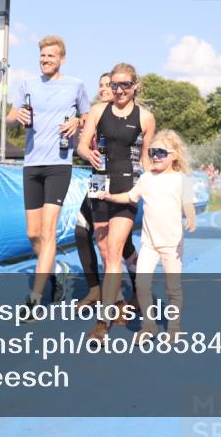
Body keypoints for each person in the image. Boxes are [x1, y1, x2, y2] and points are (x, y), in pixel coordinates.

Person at [6, 35, 89, 314]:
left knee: (48, 231)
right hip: (32, 164)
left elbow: (89, 117)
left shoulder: (75, 85)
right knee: (33, 233)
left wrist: (78, 121)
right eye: (42, 56)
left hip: (59, 164)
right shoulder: (27, 85)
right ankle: (54, 275)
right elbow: (9, 116)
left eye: (50, 56)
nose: (45, 60)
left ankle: (34, 299)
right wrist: (16, 117)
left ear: (61, 58)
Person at [77, 62, 155, 340]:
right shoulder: (98, 110)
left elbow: (146, 159)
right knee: (104, 250)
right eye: (114, 85)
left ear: (135, 86)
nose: (119, 90)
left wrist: (155, 182)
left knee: (113, 250)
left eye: (124, 85)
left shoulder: (145, 117)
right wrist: (88, 154)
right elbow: (82, 145)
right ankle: (120, 302)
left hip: (127, 184)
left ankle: (102, 323)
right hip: (99, 183)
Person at [98, 129, 196, 342]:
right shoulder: (146, 179)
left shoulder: (181, 180)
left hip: (172, 245)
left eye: (161, 152)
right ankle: (149, 326)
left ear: (174, 155)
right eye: (152, 151)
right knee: (142, 286)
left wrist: (190, 218)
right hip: (149, 244)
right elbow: (130, 197)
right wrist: (111, 196)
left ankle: (174, 327)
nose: (155, 156)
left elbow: (188, 204)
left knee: (173, 288)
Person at [75, 73, 138, 310]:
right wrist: (81, 139)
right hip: (98, 180)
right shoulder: (94, 113)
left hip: (123, 181)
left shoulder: (128, 116)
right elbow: (81, 147)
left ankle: (136, 290)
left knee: (122, 247)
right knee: (88, 235)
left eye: (107, 85)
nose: (102, 89)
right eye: (100, 85)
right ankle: (111, 295)